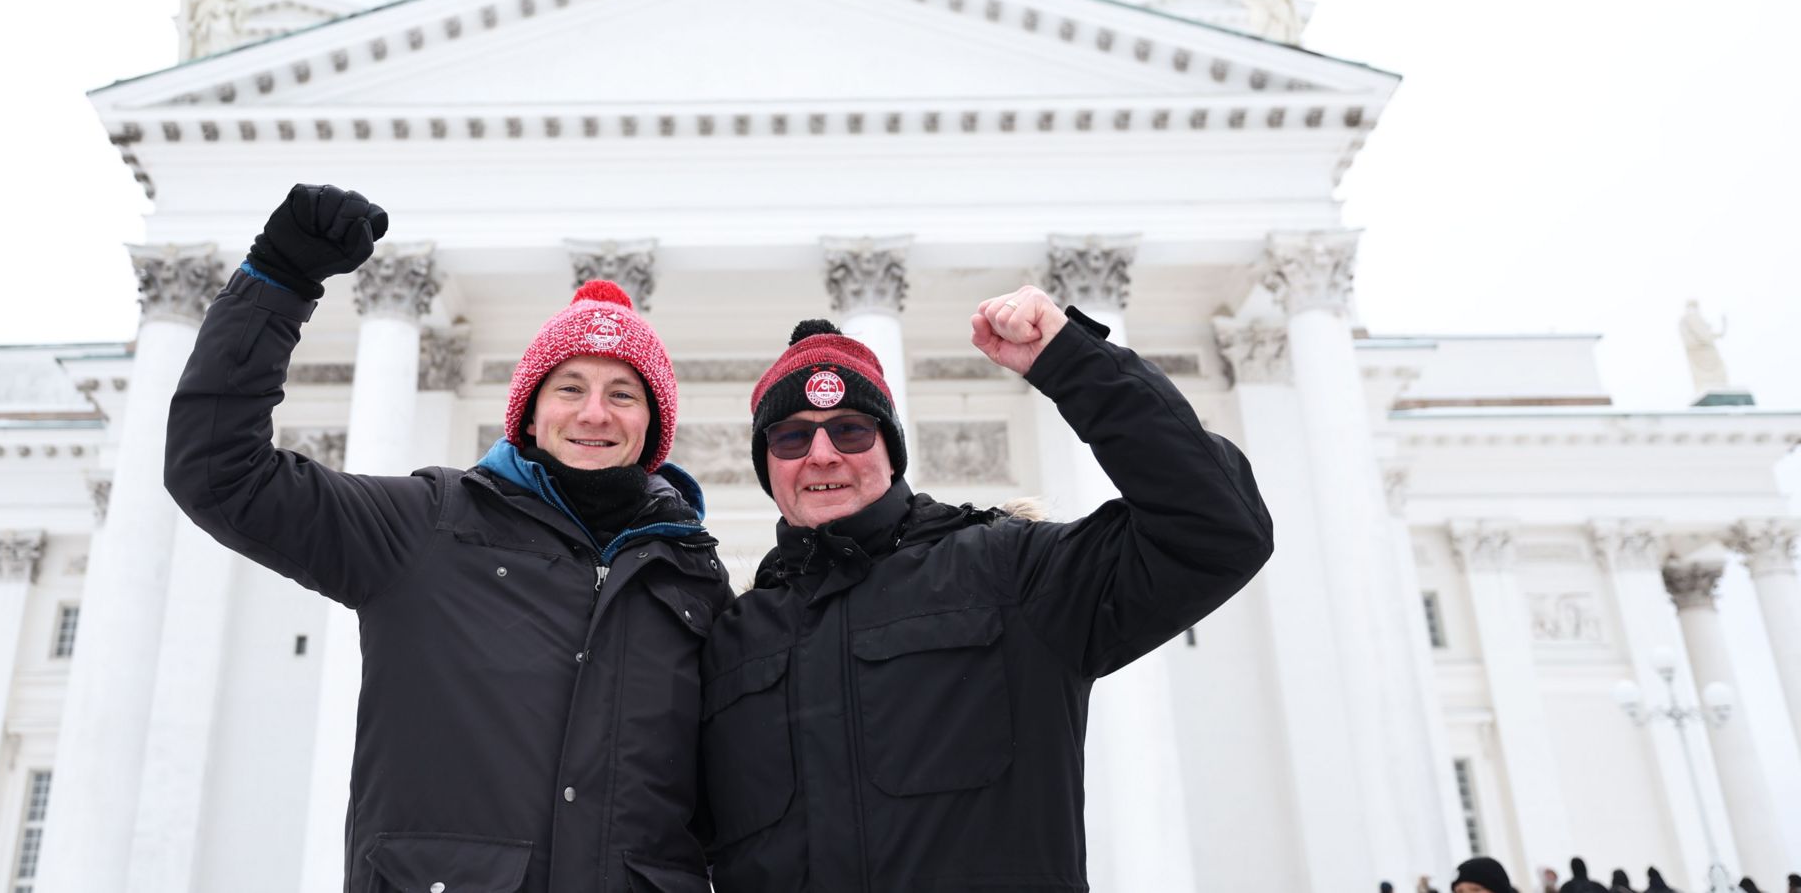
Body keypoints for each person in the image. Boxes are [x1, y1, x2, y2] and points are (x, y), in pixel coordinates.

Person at [164, 184, 733, 892]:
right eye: (570, 387)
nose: (595, 412)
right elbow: (222, 475)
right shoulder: (426, 525)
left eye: (623, 393)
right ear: (527, 413)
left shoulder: (691, 580)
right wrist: (277, 280)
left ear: (651, 425)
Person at [698, 285, 1273, 890]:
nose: (821, 455)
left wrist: (1073, 361)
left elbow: (1218, 530)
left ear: (891, 452)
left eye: (850, 431)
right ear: (768, 466)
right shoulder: (731, 642)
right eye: (791, 437)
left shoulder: (1010, 575)